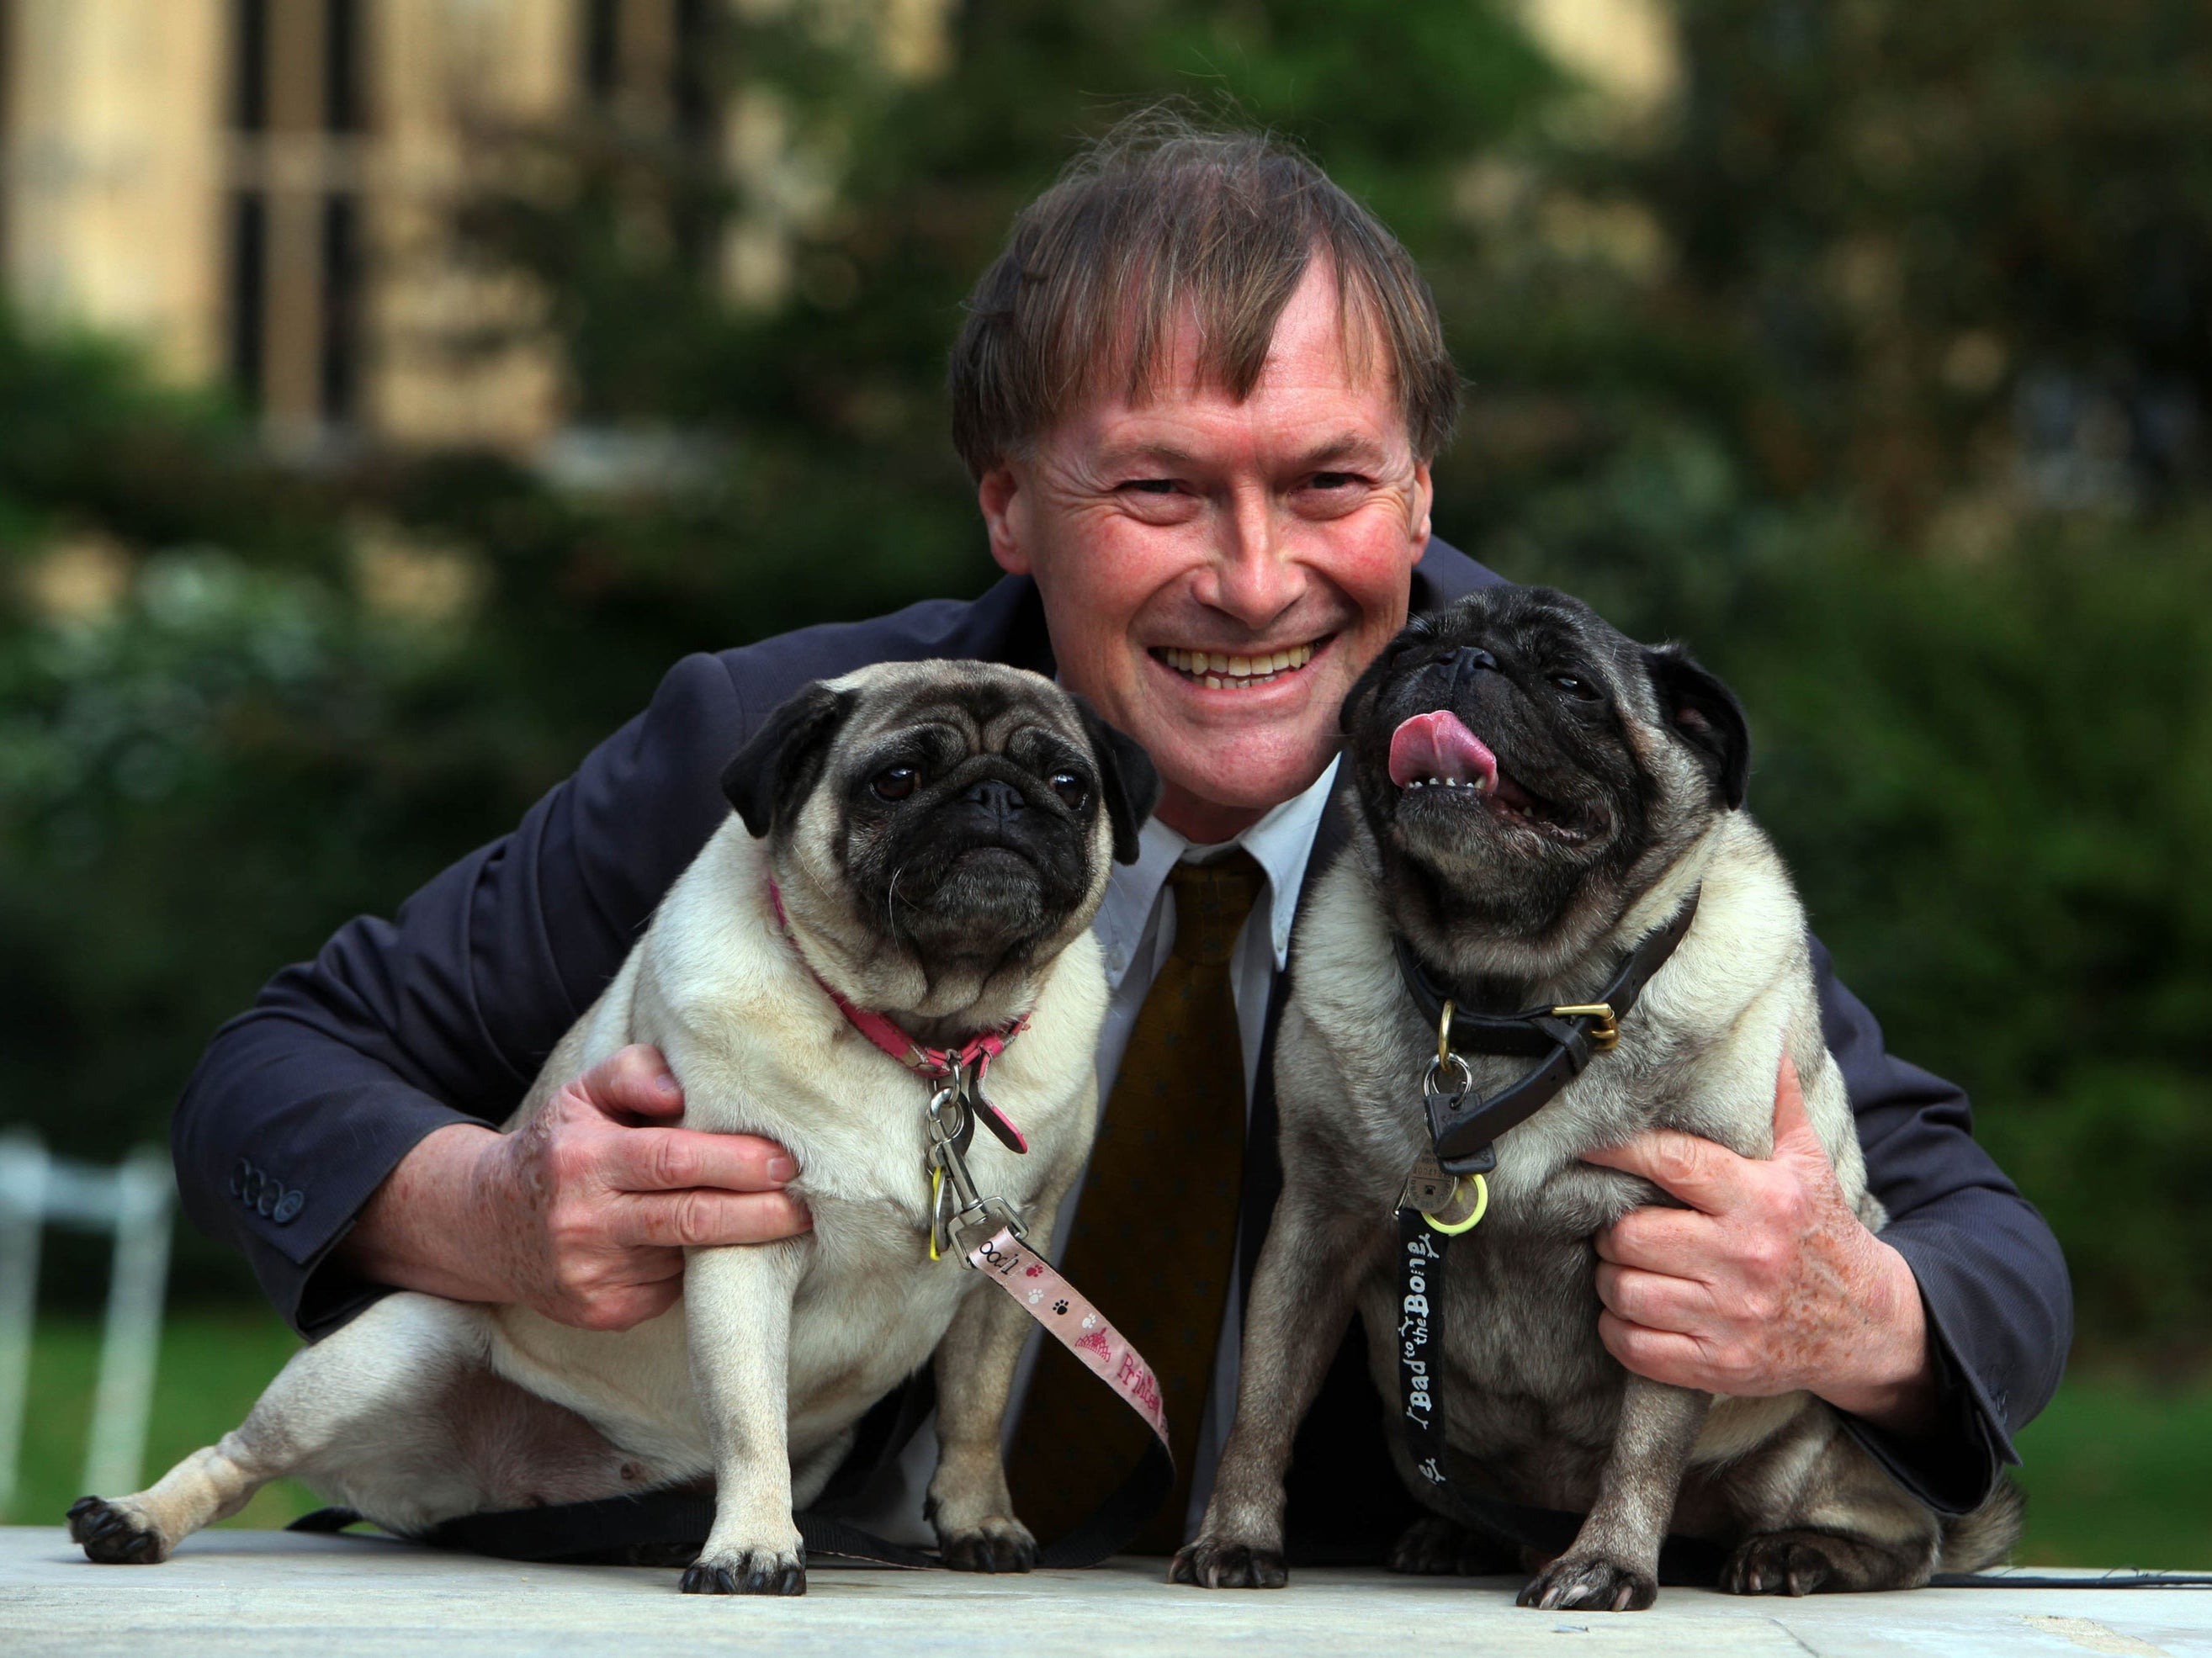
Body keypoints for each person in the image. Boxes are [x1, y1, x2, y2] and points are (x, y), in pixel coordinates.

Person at [175, 119, 2069, 1559]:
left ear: (1420, 491)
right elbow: (271, 1077)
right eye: (1157, 488)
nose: (1253, 582)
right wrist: (494, 1208)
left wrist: (1849, 1305)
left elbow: (1980, 1246)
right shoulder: (784, 750)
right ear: (1008, 502)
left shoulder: (1580, 792)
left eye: (1328, 483)